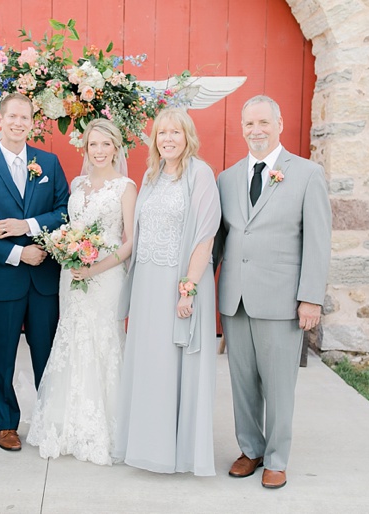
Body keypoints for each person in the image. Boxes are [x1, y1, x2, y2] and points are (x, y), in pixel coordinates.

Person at [214, 95, 331, 489]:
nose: (256, 131)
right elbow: (217, 241)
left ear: (279, 123)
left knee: (280, 386)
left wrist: (311, 297)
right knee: (242, 383)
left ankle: (277, 458)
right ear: (242, 127)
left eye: (263, 122)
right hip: (236, 300)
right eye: (249, 124)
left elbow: (318, 242)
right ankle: (251, 449)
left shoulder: (307, 174)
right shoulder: (227, 178)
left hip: (282, 302)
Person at [114, 108, 221, 476]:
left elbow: (205, 235)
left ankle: (179, 452)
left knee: (177, 364)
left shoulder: (200, 174)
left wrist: (188, 289)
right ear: (155, 139)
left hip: (180, 283)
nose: (169, 139)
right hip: (147, 283)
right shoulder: (151, 175)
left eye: (175, 132)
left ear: (187, 135)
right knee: (149, 363)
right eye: (162, 133)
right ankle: (147, 444)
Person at [0, 92, 70, 451]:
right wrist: (17, 254)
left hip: (44, 278)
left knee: (47, 353)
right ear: (0, 119)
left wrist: (26, 226)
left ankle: (46, 419)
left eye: (26, 117)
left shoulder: (49, 163)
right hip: (6, 277)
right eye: (13, 117)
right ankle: (6, 425)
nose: (19, 123)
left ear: (32, 121)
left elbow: (64, 212)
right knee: (2, 355)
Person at [26, 119, 136, 465]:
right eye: (93, 145)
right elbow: (71, 227)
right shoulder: (77, 183)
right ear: (85, 149)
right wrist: (65, 250)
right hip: (71, 276)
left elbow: (130, 241)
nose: (100, 151)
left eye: (106, 145)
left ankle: (104, 427)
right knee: (71, 338)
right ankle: (66, 422)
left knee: (102, 341)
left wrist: (95, 267)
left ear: (116, 148)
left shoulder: (126, 187)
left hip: (105, 278)